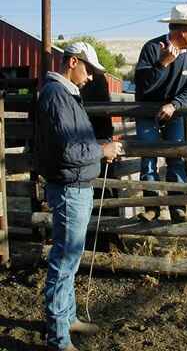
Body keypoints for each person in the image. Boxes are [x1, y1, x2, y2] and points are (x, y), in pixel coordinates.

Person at [36, 42, 122, 351]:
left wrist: (100, 148)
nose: (90, 78)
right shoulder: (58, 96)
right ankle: (58, 337)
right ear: (73, 62)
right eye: (88, 70)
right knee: (64, 259)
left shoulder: (64, 95)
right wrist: (102, 150)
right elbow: (67, 150)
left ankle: (66, 318)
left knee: (69, 258)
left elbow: (73, 144)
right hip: (70, 188)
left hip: (75, 185)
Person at [134, 4, 187, 223]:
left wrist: (174, 105)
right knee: (148, 158)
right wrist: (163, 63)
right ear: (182, 32)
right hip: (147, 113)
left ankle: (177, 206)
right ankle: (152, 207)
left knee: (176, 158)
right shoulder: (152, 48)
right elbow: (142, 86)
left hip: (174, 114)